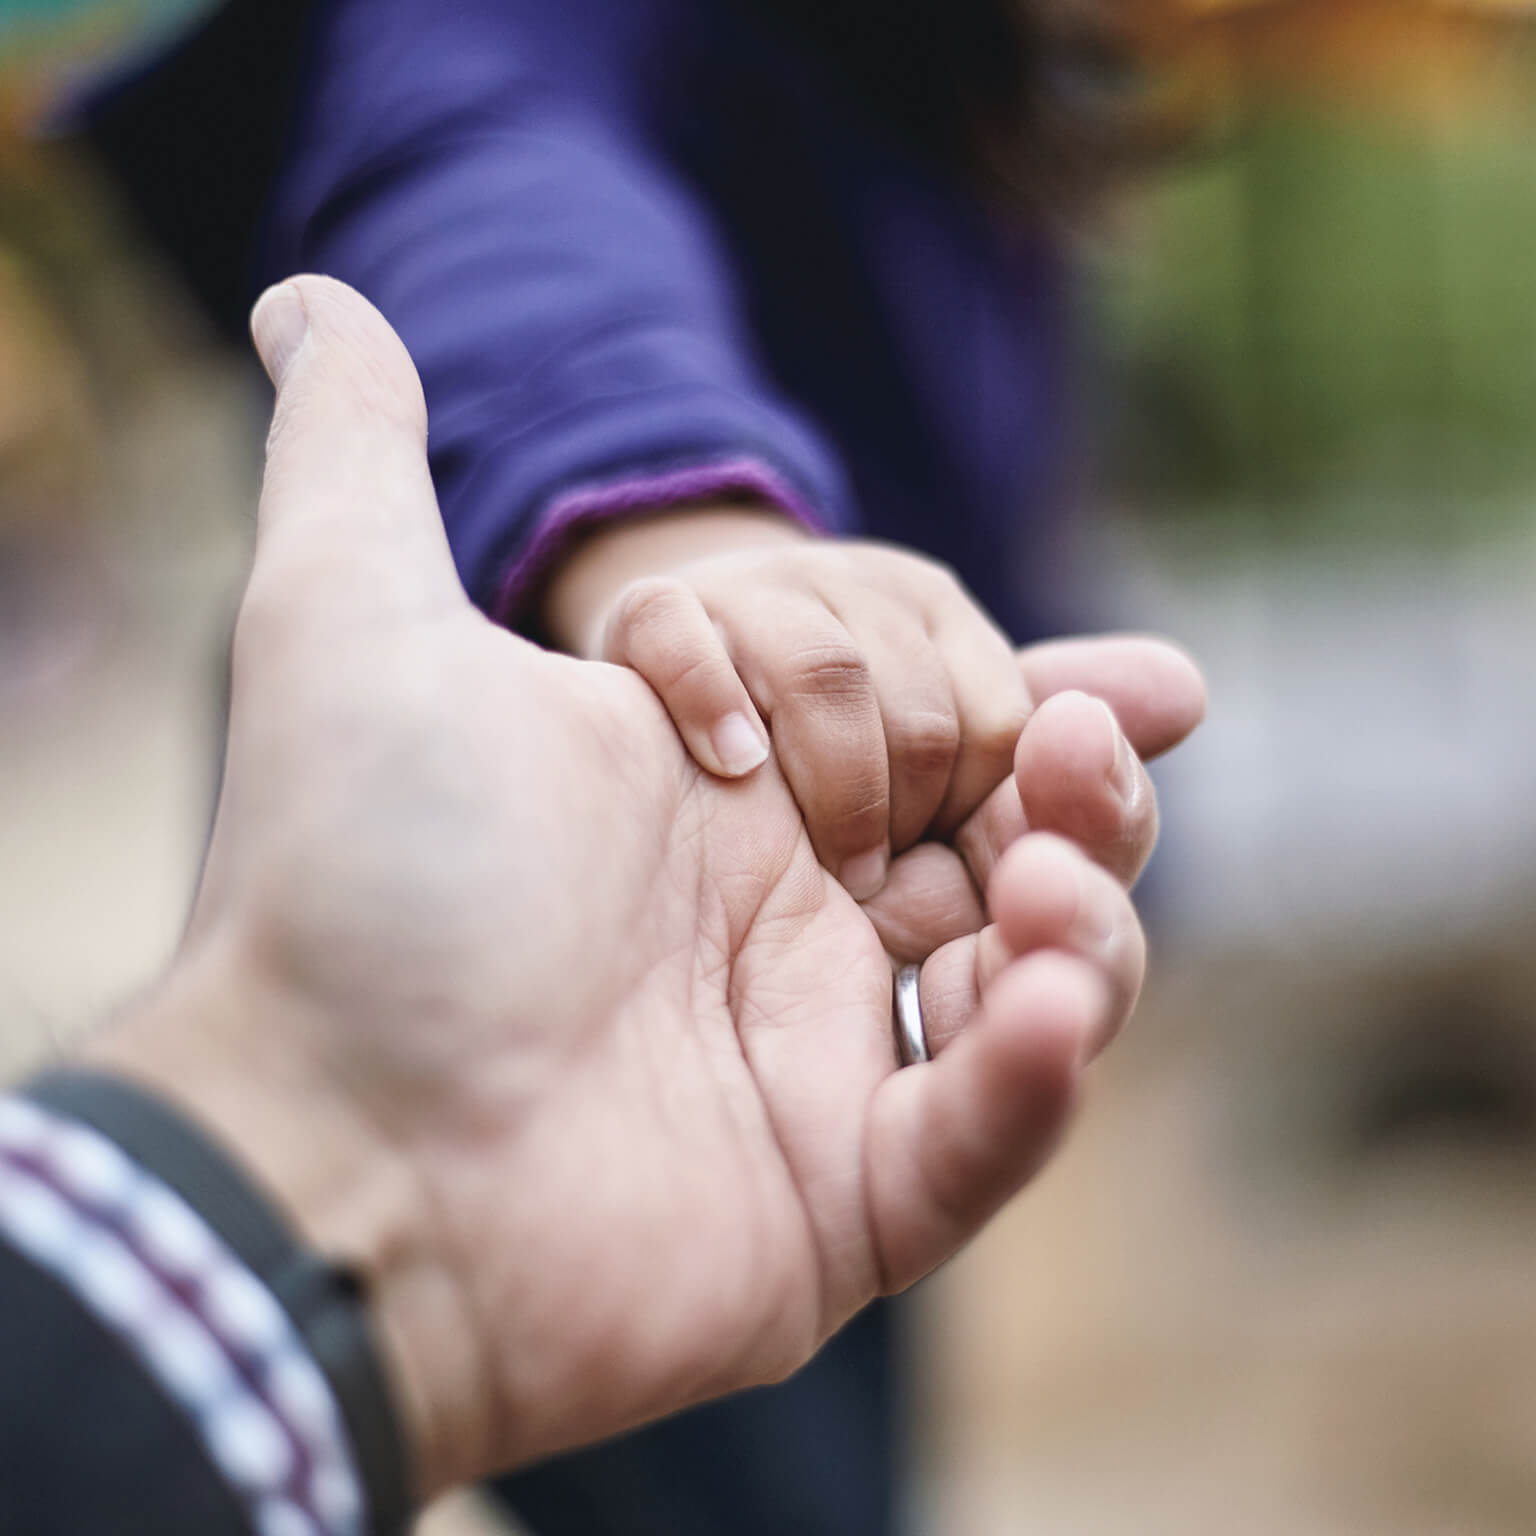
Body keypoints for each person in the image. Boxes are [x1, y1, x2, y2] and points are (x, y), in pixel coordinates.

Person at [0, 276, 1204, 1534]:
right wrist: (659, 498)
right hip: (670, 915)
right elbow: (492, 171)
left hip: (807, 1020)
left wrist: (319, 1165)